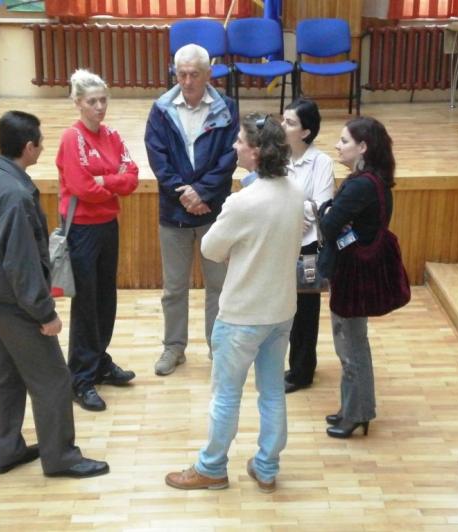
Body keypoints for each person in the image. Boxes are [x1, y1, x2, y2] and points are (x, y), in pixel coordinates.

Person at [0, 110, 109, 478]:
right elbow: (21, 263)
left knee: (4, 374)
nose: (42, 148)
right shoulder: (15, 195)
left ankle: (5, 450)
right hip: (18, 305)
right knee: (54, 378)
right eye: (40, 143)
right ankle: (61, 458)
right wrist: (45, 313)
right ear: (28, 147)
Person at [165, 113, 304, 493]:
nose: (234, 146)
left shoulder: (242, 202)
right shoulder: (296, 191)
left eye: (240, 141)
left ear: (256, 152)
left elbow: (210, 249)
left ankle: (211, 468)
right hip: (281, 311)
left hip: (242, 315)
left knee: (226, 395)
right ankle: (267, 467)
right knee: (272, 392)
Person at [144, 43, 238, 376]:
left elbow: (230, 156)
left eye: (194, 74)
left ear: (208, 74)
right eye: (181, 74)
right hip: (174, 212)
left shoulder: (227, 108)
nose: (186, 81)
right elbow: (157, 157)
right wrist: (184, 194)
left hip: (214, 211)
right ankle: (173, 348)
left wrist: (202, 193)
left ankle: (217, 347)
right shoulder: (161, 109)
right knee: (173, 289)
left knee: (218, 286)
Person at [56, 69, 139, 412]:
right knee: (86, 303)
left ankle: (98, 360)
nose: (100, 107)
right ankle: (80, 378)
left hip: (107, 225)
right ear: (78, 103)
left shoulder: (113, 135)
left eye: (103, 100)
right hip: (81, 229)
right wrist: (110, 181)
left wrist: (103, 181)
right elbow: (81, 187)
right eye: (92, 101)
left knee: (106, 298)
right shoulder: (71, 138)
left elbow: (132, 177)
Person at [318, 116, 396, 438]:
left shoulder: (361, 185)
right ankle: (352, 408)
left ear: (363, 147)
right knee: (350, 341)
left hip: (352, 272)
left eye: (344, 141)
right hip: (355, 269)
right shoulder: (373, 180)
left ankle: (357, 413)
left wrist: (326, 211)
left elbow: (328, 224)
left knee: (350, 345)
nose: (337, 146)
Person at [280, 98, 335, 394]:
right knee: (285, 307)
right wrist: (294, 210)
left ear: (305, 132)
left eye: (289, 122)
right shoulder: (278, 157)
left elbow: (322, 206)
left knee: (307, 310)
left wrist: (291, 209)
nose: (282, 126)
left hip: (309, 247)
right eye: (283, 120)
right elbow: (265, 193)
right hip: (281, 243)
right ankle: (291, 364)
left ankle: (302, 371)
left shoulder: (322, 162)